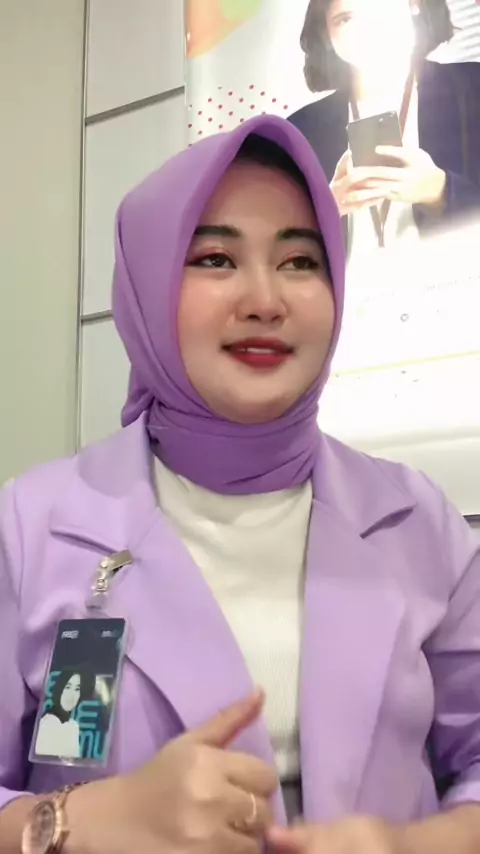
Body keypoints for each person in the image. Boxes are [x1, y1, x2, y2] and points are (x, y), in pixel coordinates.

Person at [2, 114, 480, 854]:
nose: (265, 299)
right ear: (147, 287)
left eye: (300, 261)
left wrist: (411, 847)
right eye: (217, 258)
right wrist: (75, 821)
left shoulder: (418, 522)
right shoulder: (29, 528)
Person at [288, 0, 480, 252]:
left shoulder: (473, 88)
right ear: (326, 33)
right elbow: (277, 250)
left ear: (414, 4)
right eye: (345, 18)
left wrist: (442, 191)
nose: (366, 28)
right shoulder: (299, 132)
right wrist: (322, 214)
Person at [34, 669, 90, 760]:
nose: (72, 694)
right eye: (68, 687)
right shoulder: (46, 723)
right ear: (59, 688)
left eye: (77, 689)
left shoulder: (73, 726)